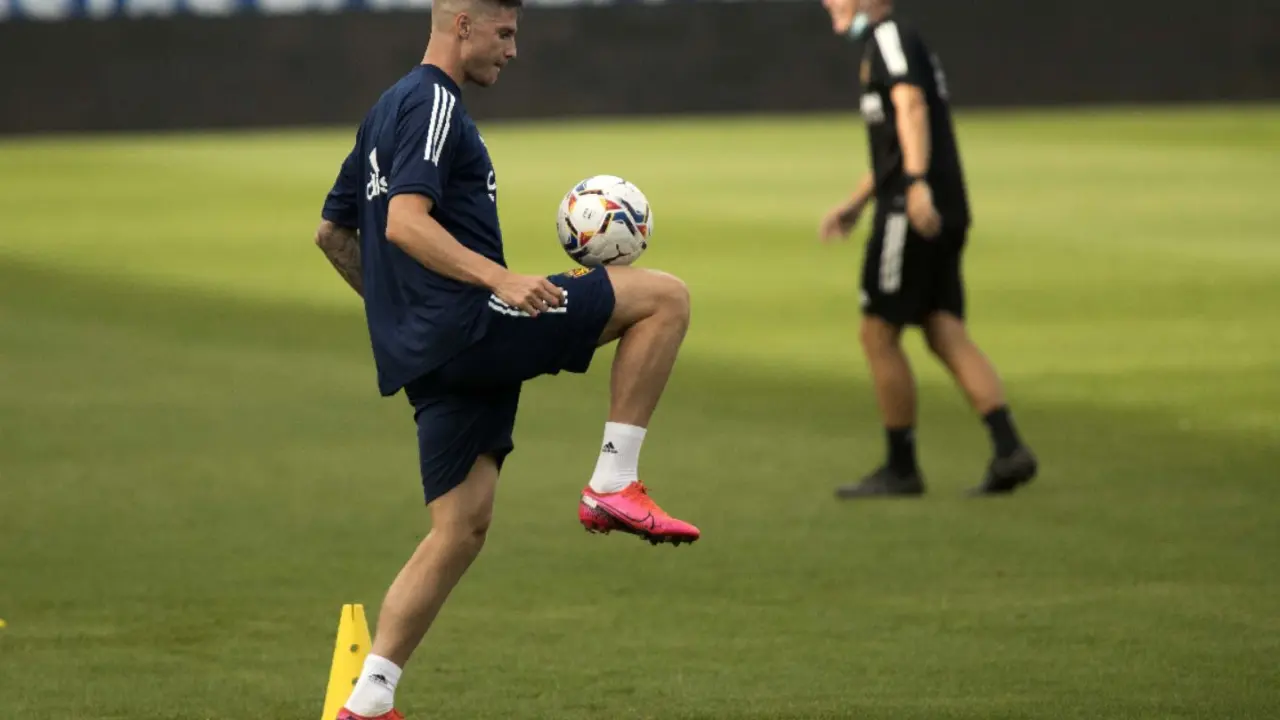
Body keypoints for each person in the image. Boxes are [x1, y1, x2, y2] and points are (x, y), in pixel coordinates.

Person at [312, 1, 700, 717]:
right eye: (505, 32)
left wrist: (403, 318)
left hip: (429, 359)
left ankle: (368, 700)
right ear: (462, 24)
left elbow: (332, 233)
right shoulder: (434, 102)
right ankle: (613, 481)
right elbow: (403, 222)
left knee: (459, 529)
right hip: (469, 327)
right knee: (664, 300)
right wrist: (497, 281)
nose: (512, 49)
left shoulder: (383, 111)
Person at [817, 0, 1038, 498]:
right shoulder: (891, 41)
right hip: (940, 203)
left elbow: (912, 106)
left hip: (912, 209)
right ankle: (1009, 448)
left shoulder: (889, 38)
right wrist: (856, 203)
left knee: (878, 332)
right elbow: (897, 142)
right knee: (942, 327)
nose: (827, 2)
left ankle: (901, 468)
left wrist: (915, 185)